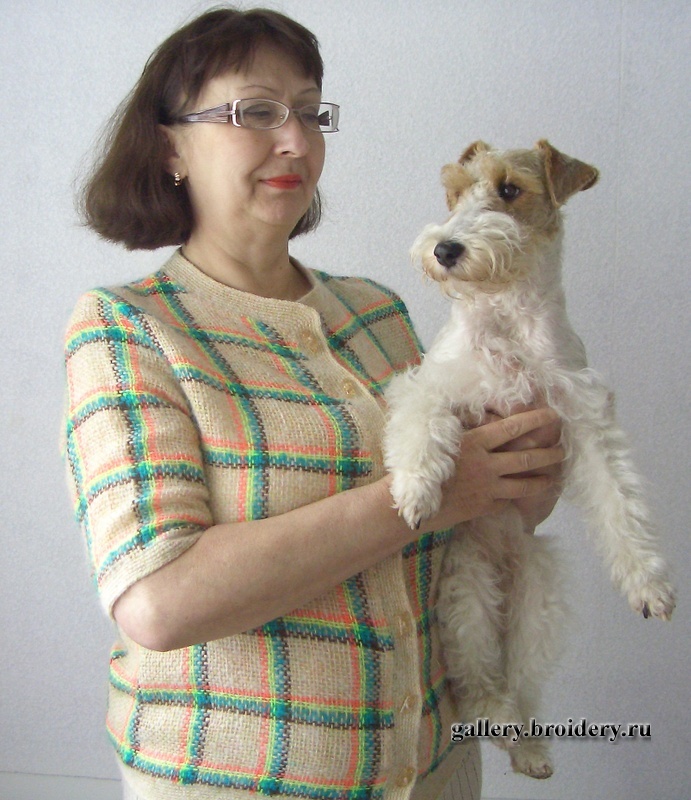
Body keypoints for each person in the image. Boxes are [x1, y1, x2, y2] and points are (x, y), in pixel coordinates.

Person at [63, 8, 564, 800]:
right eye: (255, 111)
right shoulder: (129, 328)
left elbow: (464, 522)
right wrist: (430, 497)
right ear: (170, 147)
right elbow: (158, 603)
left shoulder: (376, 312)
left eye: (308, 111)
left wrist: (521, 483)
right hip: (238, 780)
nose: (295, 140)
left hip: (434, 768)